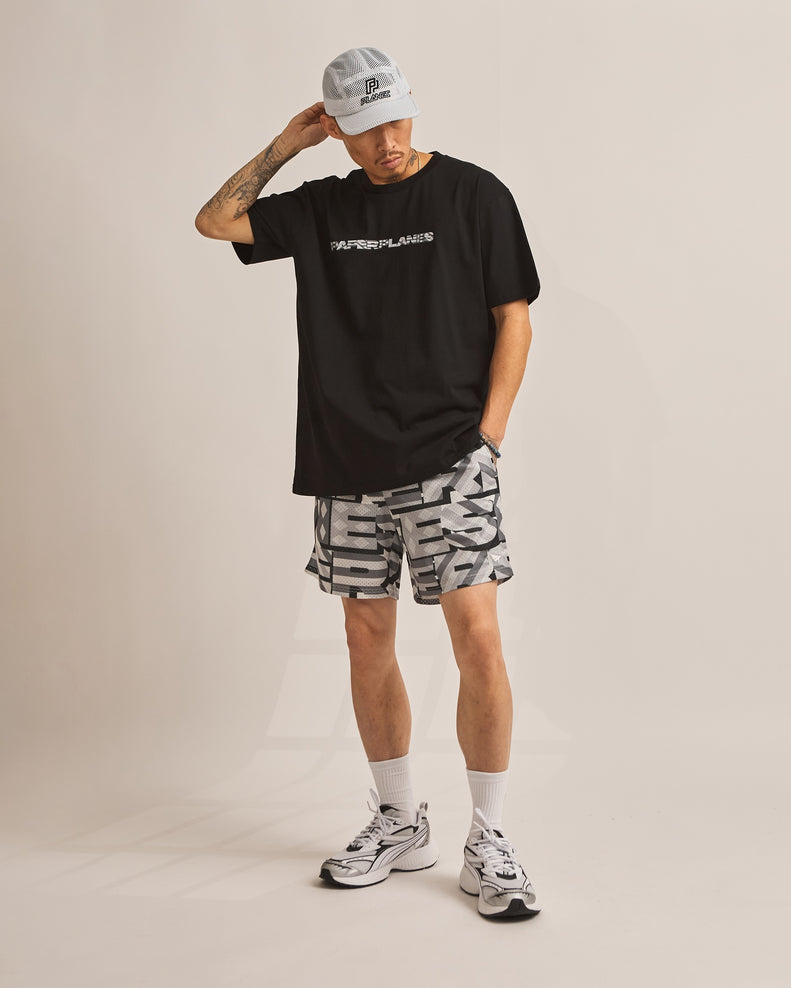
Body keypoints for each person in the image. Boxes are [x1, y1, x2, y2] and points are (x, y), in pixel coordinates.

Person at [195, 47, 541, 919]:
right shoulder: (322, 206)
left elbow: (513, 317)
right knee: (363, 638)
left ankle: (489, 836)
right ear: (337, 130)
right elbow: (215, 221)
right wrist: (285, 146)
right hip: (346, 463)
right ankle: (398, 820)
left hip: (449, 456)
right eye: (362, 128)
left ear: (411, 108)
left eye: (393, 119)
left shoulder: (472, 194)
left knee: (477, 638)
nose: (385, 141)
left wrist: (488, 437)